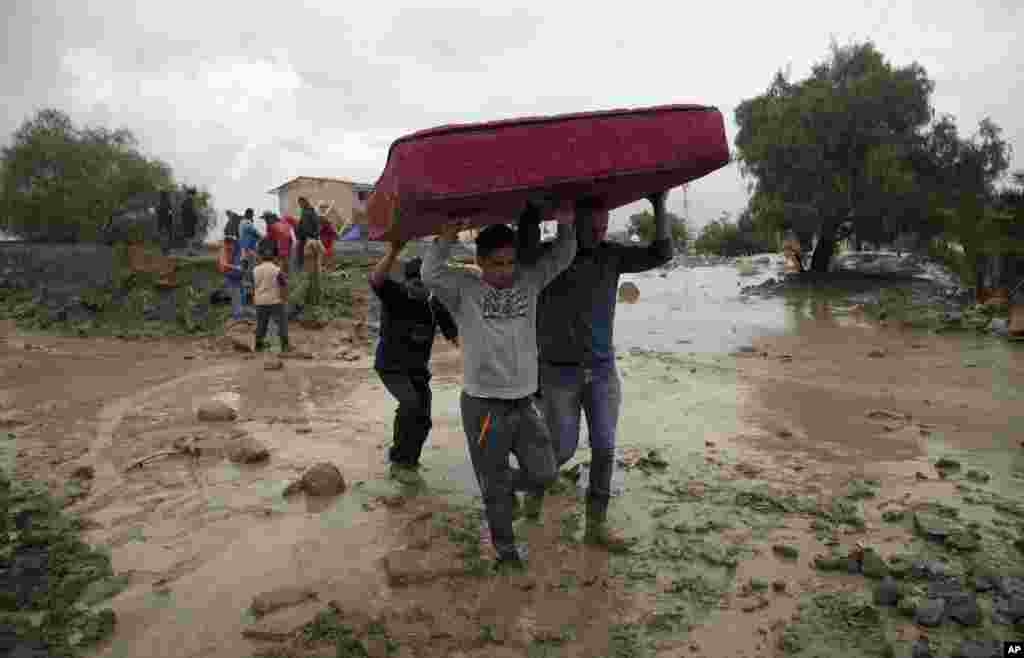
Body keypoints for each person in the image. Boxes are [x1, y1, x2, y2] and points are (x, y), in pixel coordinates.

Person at [421, 201, 577, 571]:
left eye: (509, 262)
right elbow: (430, 273)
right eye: (496, 264)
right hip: (484, 405)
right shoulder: (463, 289)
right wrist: (445, 238)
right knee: (494, 489)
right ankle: (506, 552)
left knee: (545, 472)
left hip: (523, 402)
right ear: (481, 261)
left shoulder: (529, 280)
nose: (505, 271)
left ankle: (502, 483)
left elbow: (563, 255)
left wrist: (567, 225)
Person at [518, 192, 672, 552]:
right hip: (557, 374)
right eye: (593, 226)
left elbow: (661, 254)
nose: (600, 233)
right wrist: (532, 211)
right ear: (574, 223)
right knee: (562, 450)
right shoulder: (549, 256)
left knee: (604, 447)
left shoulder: (611, 255)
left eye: (604, 226)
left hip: (601, 371)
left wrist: (659, 202)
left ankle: (596, 528)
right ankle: (532, 492)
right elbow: (522, 253)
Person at [370, 247, 459, 485]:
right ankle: (398, 461)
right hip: (390, 366)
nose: (419, 288)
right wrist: (392, 253)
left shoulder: (435, 305)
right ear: (406, 282)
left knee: (424, 418)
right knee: (410, 405)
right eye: (414, 283)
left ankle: (410, 461)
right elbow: (376, 279)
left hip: (418, 370)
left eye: (424, 283)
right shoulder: (395, 294)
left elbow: (455, 337)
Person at [253, 238, 290, 352]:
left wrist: (255, 298)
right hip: (275, 301)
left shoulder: (255, 270)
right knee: (281, 324)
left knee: (261, 325)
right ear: (275, 256)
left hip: (260, 302)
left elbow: (253, 285)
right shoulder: (277, 270)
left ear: (260, 256)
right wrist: (284, 299)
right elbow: (283, 285)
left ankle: (258, 346)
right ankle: (284, 346)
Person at [220, 234, 245, 320]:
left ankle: (239, 312)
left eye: (233, 244)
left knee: (238, 293)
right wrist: (235, 267)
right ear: (227, 243)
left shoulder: (234, 249)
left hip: (234, 274)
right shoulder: (224, 251)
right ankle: (237, 314)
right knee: (235, 293)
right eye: (230, 244)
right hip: (229, 274)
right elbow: (223, 264)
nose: (232, 246)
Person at [296, 197, 319, 271]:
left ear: (305, 202)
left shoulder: (310, 211)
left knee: (309, 254)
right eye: (299, 203)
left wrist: (315, 235)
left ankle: (309, 268)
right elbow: (301, 224)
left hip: (310, 236)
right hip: (303, 236)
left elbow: (316, 224)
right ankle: (303, 268)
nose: (300, 205)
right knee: (301, 252)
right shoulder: (304, 211)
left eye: (301, 203)